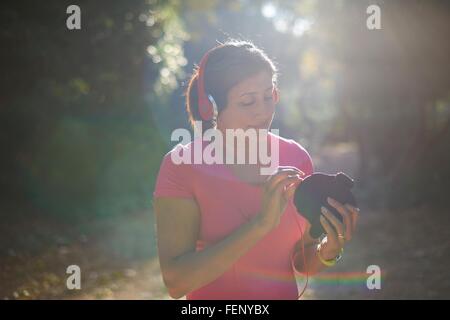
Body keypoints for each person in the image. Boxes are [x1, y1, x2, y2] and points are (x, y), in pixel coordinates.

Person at [153, 39, 360, 300]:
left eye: (268, 96)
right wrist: (260, 225)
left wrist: (328, 251)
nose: (263, 111)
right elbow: (177, 282)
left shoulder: (295, 158)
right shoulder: (181, 166)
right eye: (248, 102)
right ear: (211, 108)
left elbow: (301, 257)